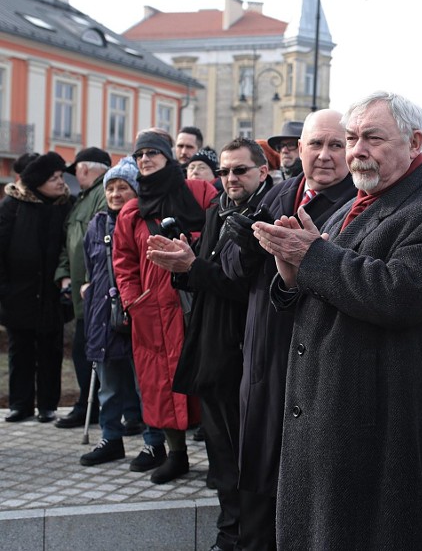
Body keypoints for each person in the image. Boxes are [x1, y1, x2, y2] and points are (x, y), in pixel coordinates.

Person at [252, 91, 422, 549]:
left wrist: (312, 256)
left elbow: (399, 294)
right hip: (326, 410)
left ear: (414, 142)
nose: (356, 150)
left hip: (376, 422)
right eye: (351, 137)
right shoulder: (358, 199)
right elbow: (326, 282)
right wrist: (292, 275)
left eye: (372, 137)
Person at [219, 109, 357, 550]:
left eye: (336, 145)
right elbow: (233, 274)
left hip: (313, 355)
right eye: (315, 145)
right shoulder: (279, 193)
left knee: (303, 473)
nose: (325, 155)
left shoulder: (358, 204)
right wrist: (243, 245)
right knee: (257, 460)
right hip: (262, 349)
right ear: (298, 151)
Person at [147, 137, 274, 551]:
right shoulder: (217, 211)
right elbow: (206, 280)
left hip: (247, 355)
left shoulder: (269, 214)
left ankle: (246, 539)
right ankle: (228, 535)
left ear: (263, 172)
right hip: (213, 351)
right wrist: (182, 266)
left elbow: (249, 291)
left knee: (246, 459)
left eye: (240, 170)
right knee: (221, 458)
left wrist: (193, 268)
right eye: (224, 171)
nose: (230, 178)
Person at [112, 130, 218, 483]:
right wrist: (132, 301)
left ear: (167, 156)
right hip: (153, 311)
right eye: (139, 154)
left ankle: (220, 458)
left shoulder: (199, 191)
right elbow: (124, 262)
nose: (145, 159)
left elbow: (221, 229)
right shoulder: (131, 210)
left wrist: (195, 250)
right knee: (162, 383)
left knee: (210, 377)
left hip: (201, 303)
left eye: (152, 153)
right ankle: (177, 455)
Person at [79, 156, 154, 466]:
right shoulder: (96, 224)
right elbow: (90, 264)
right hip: (102, 315)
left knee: (144, 384)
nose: (115, 194)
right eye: (110, 188)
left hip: (136, 313)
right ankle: (110, 438)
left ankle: (154, 442)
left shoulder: (144, 220)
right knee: (108, 385)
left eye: (123, 187)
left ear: (135, 190)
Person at [0, 152, 73, 422]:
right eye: (53, 178)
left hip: (53, 295)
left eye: (61, 177)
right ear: (38, 181)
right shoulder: (12, 206)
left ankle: (47, 405)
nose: (59, 182)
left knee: (51, 351)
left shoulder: (66, 205)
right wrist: (4, 290)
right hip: (19, 294)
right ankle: (20, 404)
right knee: (20, 351)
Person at [53, 147, 112, 429]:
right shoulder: (84, 198)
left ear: (86, 169)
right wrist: (64, 275)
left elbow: (100, 244)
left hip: (93, 290)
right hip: (79, 290)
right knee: (82, 349)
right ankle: (88, 404)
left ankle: (91, 406)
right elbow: (71, 242)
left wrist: (92, 281)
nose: (75, 174)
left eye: (76, 169)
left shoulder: (103, 194)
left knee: (88, 350)